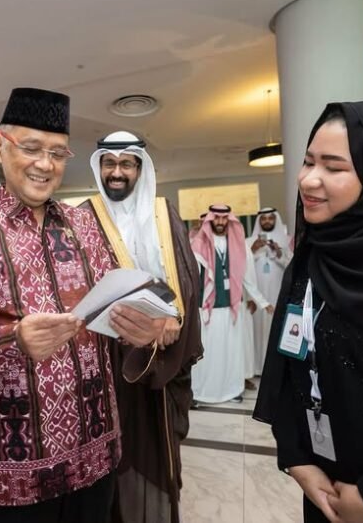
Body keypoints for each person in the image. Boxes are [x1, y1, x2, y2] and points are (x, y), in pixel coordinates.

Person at [0, 88, 168, 523]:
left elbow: (112, 312)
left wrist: (140, 329)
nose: (45, 164)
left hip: (93, 455)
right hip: (11, 467)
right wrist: (13, 339)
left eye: (58, 153)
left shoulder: (86, 225)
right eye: (32, 148)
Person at [255, 101, 363, 523]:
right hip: (327, 490)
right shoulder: (313, 259)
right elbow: (291, 362)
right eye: (308, 162)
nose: (308, 179)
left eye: (334, 167)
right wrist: (297, 458)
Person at [82, 131, 202, 523]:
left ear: (140, 168)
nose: (117, 172)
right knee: (104, 450)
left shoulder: (163, 214)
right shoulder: (82, 217)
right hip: (101, 357)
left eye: (126, 164)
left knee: (152, 444)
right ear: (99, 167)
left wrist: (174, 317)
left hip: (157, 356)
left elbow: (187, 279)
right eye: (109, 163)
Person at [191, 205, 273, 403]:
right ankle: (200, 392)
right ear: (211, 220)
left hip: (231, 308)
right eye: (216, 218)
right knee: (207, 353)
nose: (220, 222)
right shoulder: (197, 244)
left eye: (224, 218)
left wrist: (263, 303)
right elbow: (191, 279)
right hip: (206, 310)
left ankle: (232, 390)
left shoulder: (238, 245)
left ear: (229, 220)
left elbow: (246, 279)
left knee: (231, 353)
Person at [246, 207, 293, 375]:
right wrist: (253, 250)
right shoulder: (248, 241)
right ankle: (257, 368)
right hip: (256, 295)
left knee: (276, 326)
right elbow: (241, 267)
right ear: (259, 221)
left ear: (275, 219)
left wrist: (278, 252)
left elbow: (291, 266)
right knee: (257, 328)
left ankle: (276, 368)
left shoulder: (286, 240)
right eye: (263, 218)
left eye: (270, 218)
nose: (267, 221)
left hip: (277, 292)